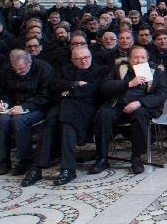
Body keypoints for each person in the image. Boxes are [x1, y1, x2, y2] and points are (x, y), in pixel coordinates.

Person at [27, 46, 108, 186]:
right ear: (72, 60)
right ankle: (39, 168)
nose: (83, 61)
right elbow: (54, 85)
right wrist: (75, 84)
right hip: (64, 107)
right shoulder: (65, 70)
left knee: (65, 122)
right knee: (50, 122)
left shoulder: (101, 70)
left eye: (86, 57)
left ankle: (65, 168)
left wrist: (68, 92)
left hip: (86, 109)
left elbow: (93, 91)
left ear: (91, 56)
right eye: (79, 59)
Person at [91, 45, 167, 175]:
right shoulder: (120, 69)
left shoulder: (157, 72)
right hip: (119, 107)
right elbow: (104, 87)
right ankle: (102, 158)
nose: (139, 60)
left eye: (143, 57)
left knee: (139, 115)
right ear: (129, 59)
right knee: (103, 115)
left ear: (147, 59)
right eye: (136, 57)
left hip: (142, 107)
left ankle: (136, 157)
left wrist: (140, 103)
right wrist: (128, 84)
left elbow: (162, 94)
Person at [0, 50, 54, 175]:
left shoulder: (44, 69)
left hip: (37, 107)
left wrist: (24, 107)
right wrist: (3, 102)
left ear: (29, 62)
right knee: (2, 121)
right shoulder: (7, 70)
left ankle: (24, 160)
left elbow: (45, 96)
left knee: (19, 120)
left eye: (20, 69)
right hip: (13, 106)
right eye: (14, 68)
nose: (17, 72)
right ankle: (4, 160)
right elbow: (2, 90)